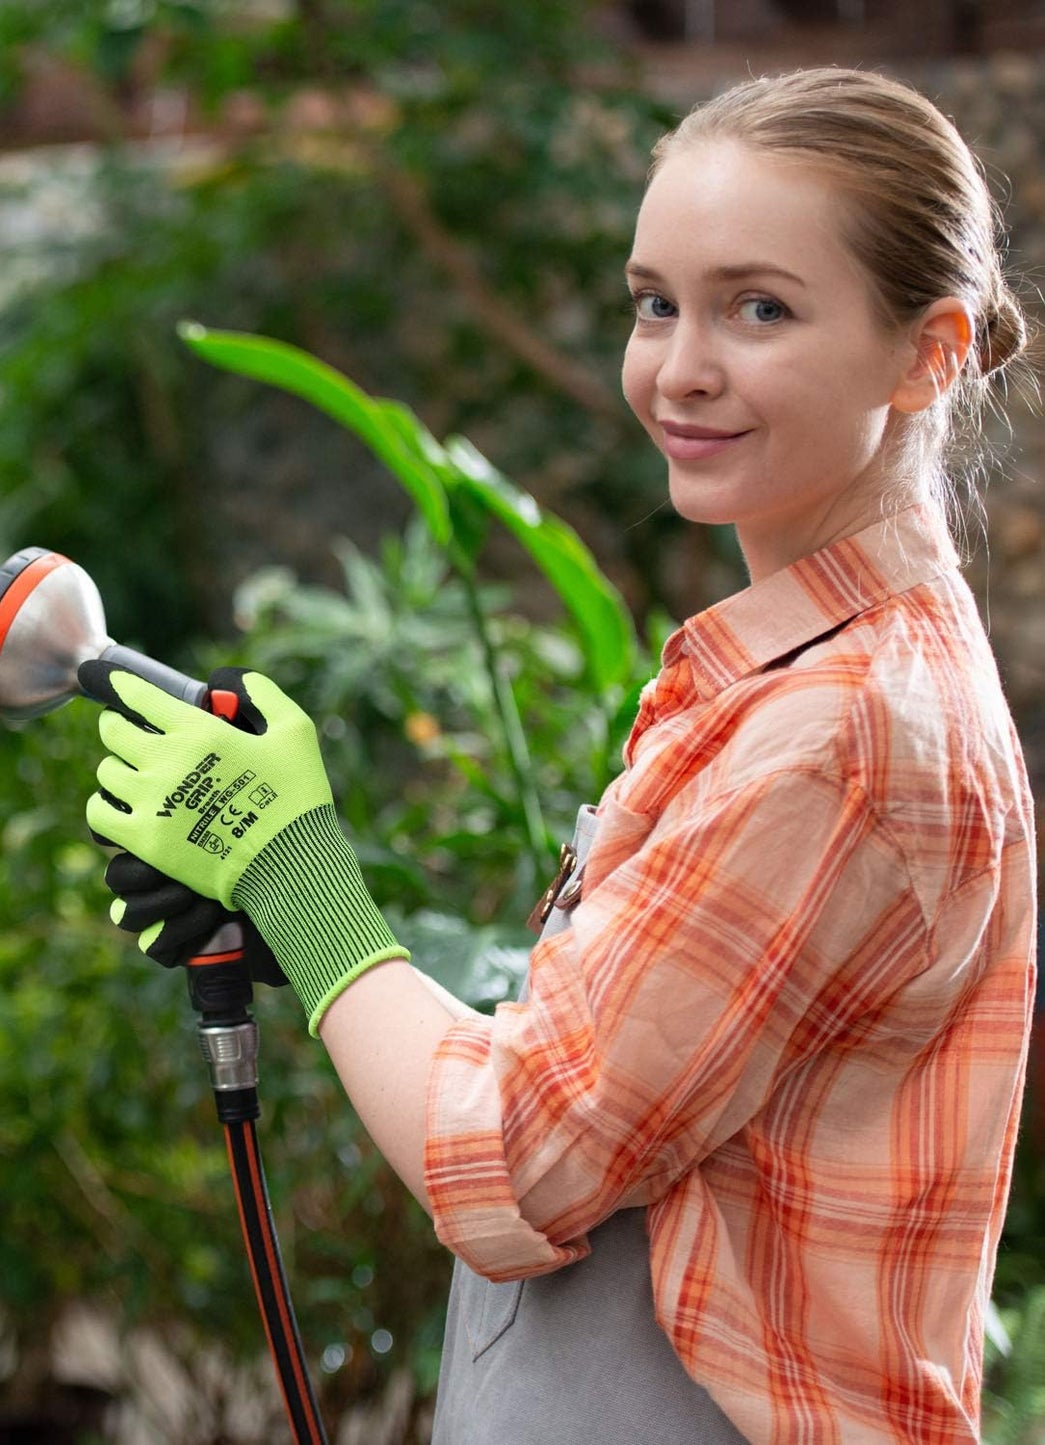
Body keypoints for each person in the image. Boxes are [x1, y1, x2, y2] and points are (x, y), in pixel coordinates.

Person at [81, 67, 1039, 1443]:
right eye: (656, 301)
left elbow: (516, 1156)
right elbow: (618, 1082)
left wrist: (298, 875)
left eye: (757, 307)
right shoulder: (800, 679)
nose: (680, 364)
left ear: (926, 351)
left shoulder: (842, 736)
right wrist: (286, 920)